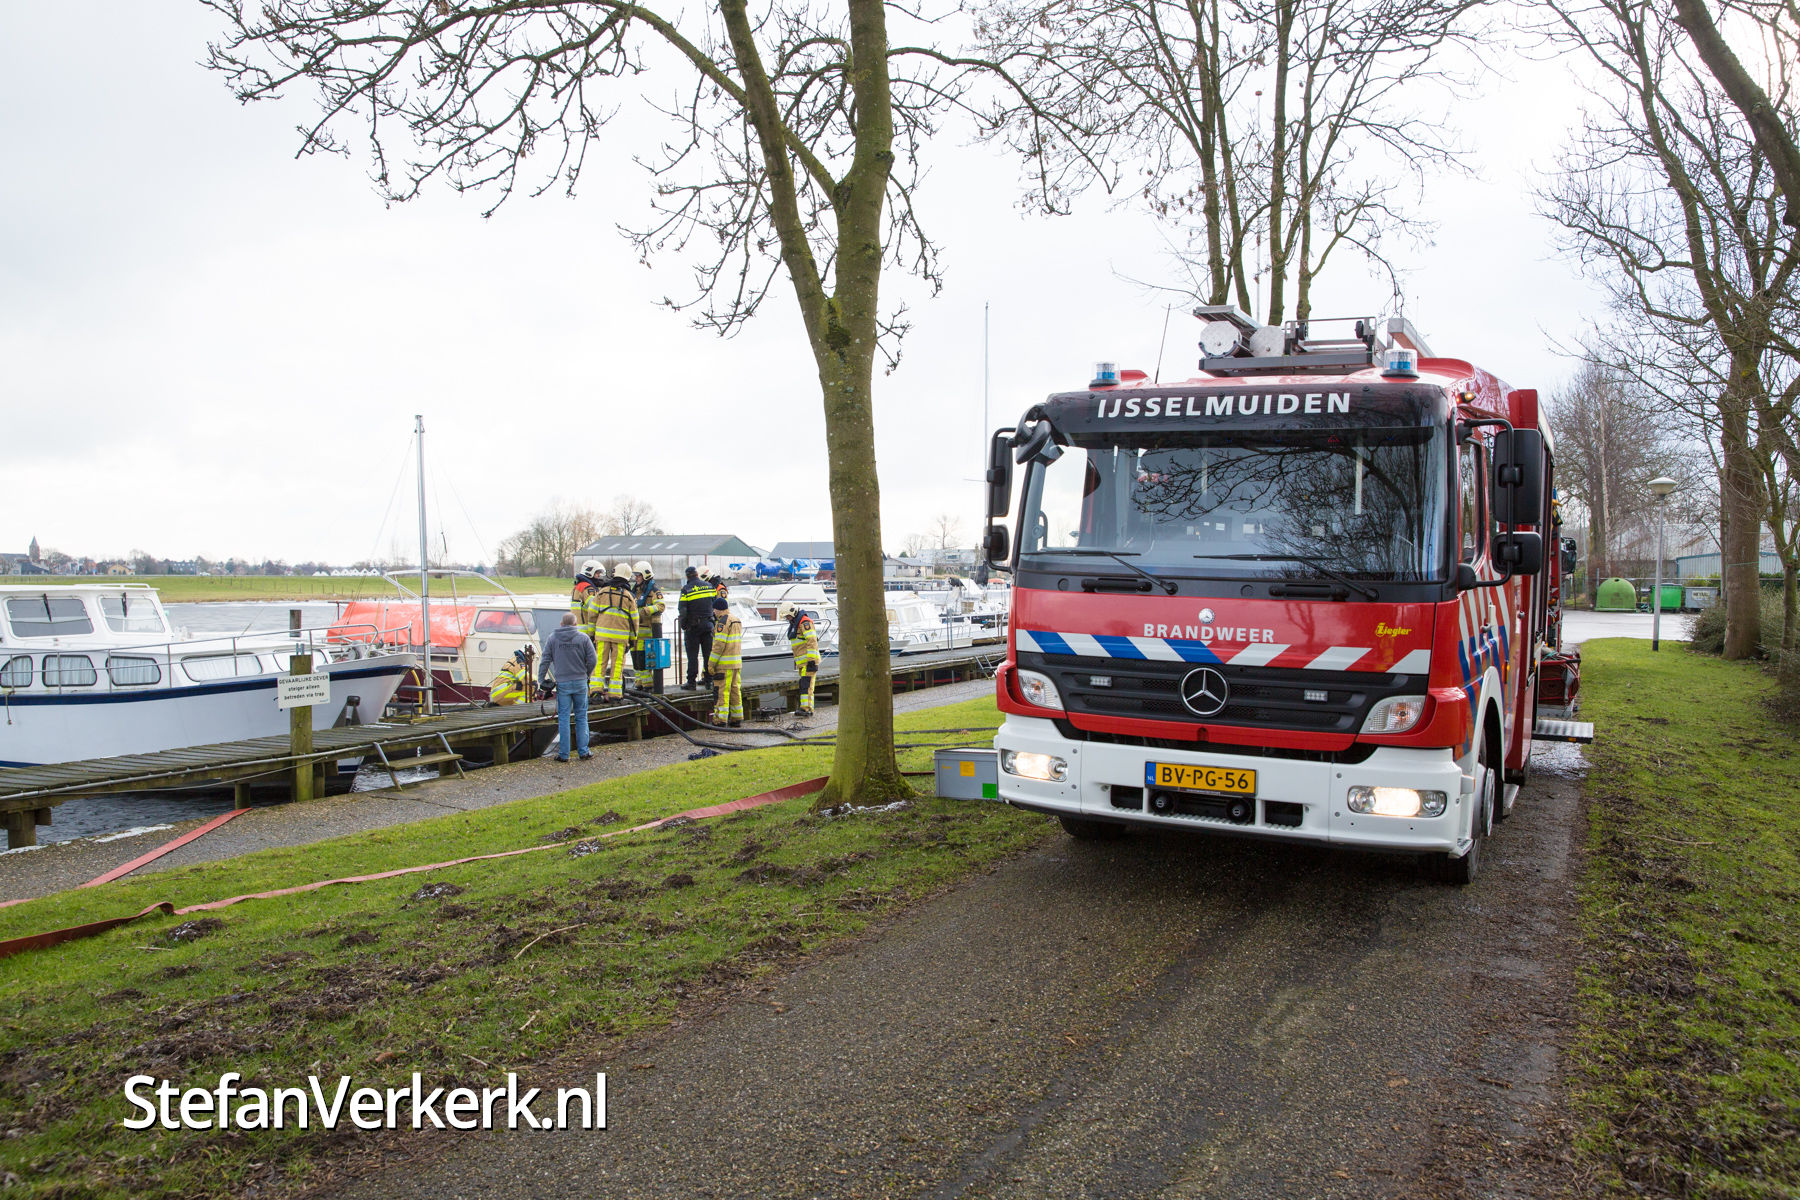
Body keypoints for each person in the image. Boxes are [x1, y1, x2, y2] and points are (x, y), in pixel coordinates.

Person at [540, 613, 596, 761]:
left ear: (561, 624)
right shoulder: (583, 638)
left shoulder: (553, 638)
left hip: (563, 682)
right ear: (575, 624)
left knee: (564, 718)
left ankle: (564, 754)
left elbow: (545, 660)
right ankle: (584, 751)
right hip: (580, 681)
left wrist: (541, 680)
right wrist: (586, 673)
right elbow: (593, 659)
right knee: (581, 716)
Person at [591, 564, 638, 701]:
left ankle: (595, 692)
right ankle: (615, 695)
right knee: (617, 666)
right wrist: (632, 639)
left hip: (602, 636)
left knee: (600, 663)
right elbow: (634, 620)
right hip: (620, 638)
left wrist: (592, 633)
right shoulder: (629, 597)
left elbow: (592, 613)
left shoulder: (602, 592)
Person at [706, 595, 744, 727]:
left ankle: (720, 720)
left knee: (721, 691)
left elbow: (718, 646)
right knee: (735, 691)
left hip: (724, 665)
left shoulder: (722, 622)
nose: (713, 612)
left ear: (718, 609)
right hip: (736, 663)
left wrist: (711, 664)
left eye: (714, 610)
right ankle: (737, 718)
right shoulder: (736, 620)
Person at [780, 602, 821, 716]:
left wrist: (811, 660)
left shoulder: (805, 623)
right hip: (802, 663)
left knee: (807, 685)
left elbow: (812, 641)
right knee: (804, 684)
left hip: (809, 661)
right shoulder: (796, 623)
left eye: (788, 616)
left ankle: (806, 709)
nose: (787, 618)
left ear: (793, 612)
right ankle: (805, 708)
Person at [678, 566, 716, 689]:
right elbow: (715, 604)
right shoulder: (709, 586)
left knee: (693, 656)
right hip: (708, 625)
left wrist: (684, 625)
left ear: (687, 576)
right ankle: (709, 681)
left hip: (693, 627)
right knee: (708, 655)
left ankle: (691, 682)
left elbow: (683, 610)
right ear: (697, 574)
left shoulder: (686, 589)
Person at [629, 560, 665, 689]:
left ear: (645, 575)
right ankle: (639, 683)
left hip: (646, 631)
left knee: (642, 659)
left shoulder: (654, 591)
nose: (636, 578)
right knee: (635, 658)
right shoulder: (635, 590)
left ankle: (648, 684)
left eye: (638, 575)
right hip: (635, 631)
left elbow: (661, 606)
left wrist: (645, 611)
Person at [570, 559, 603, 644]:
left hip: (575, 629)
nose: (599, 576)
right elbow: (594, 607)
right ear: (590, 572)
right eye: (597, 573)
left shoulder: (578, 586)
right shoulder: (588, 588)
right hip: (585, 631)